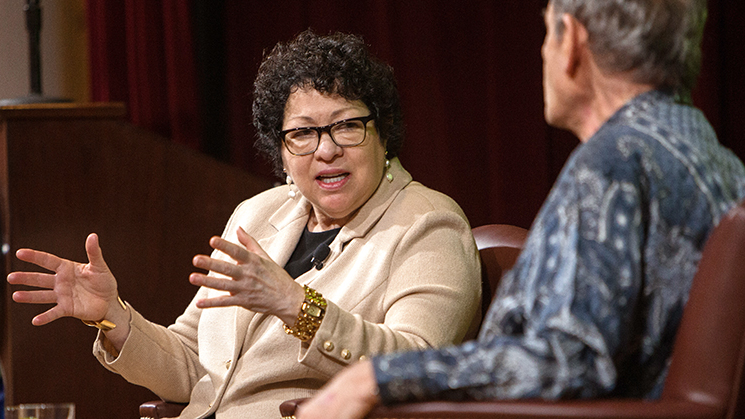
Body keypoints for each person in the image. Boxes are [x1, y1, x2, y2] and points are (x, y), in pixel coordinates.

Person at [296, 1, 745, 418]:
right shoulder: (722, 163)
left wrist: (376, 378)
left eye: (546, 33)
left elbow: (569, 361)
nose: (543, 53)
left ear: (570, 41)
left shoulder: (615, 163)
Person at [7, 30, 482, 418]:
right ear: (280, 149)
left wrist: (297, 305)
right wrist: (112, 315)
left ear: (384, 130)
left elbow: (417, 366)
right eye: (302, 133)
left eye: (346, 126)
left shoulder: (429, 223)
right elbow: (195, 366)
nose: (326, 149)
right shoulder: (257, 214)